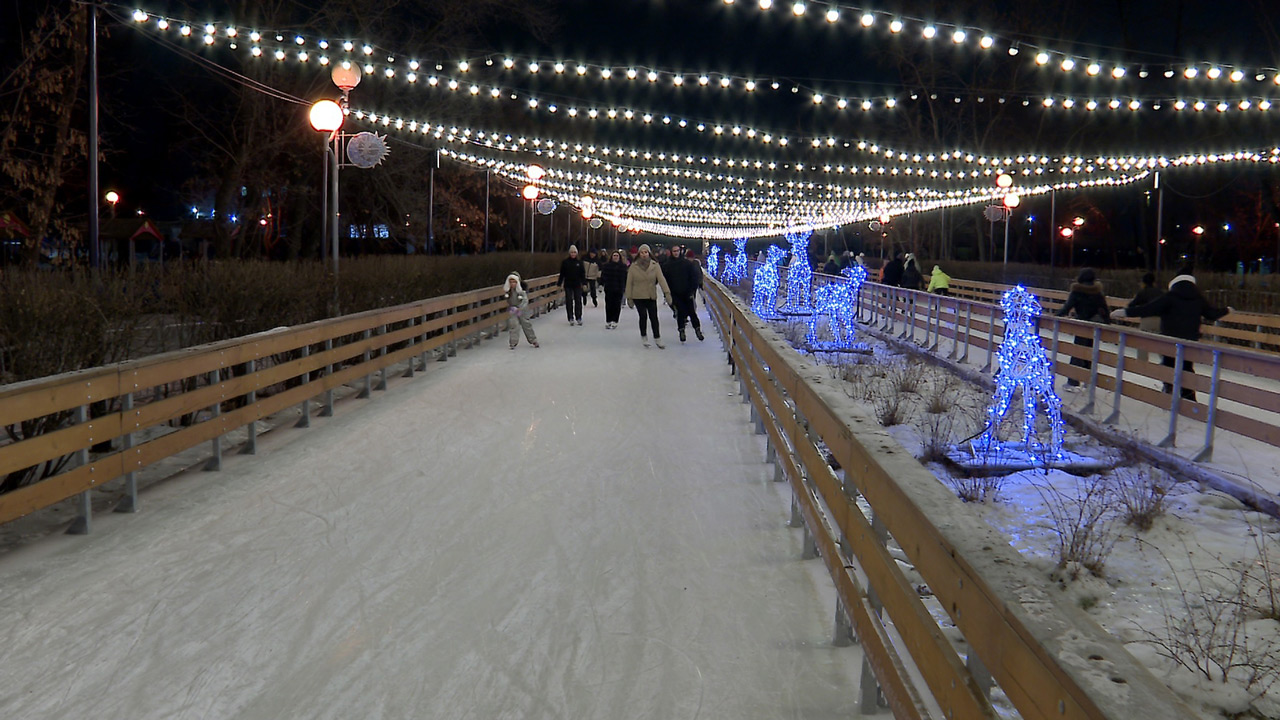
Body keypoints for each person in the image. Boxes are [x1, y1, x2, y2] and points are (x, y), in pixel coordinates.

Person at [1111, 267, 1232, 401]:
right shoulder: (1198, 299)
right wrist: (1226, 310)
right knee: (1186, 368)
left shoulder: (1170, 297)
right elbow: (1211, 314)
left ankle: (1168, 391)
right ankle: (1189, 398)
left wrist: (1126, 312)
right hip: (1189, 341)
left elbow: (1149, 309)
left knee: (1168, 364)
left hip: (1170, 339)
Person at [1056, 268, 1110, 388]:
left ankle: (1073, 381)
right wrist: (1107, 323)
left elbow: (1066, 308)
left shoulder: (1077, 292)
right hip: (1094, 327)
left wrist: (1055, 316)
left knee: (1077, 352)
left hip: (1081, 326)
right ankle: (1088, 381)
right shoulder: (1098, 293)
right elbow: (1105, 311)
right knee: (1089, 352)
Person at [625, 243, 673, 348]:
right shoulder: (634, 266)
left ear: (649, 253)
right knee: (643, 316)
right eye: (642, 252)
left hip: (651, 295)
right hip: (638, 295)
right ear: (639, 254)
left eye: (646, 252)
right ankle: (644, 336)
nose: (644, 254)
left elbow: (661, 279)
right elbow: (629, 282)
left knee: (654, 317)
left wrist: (667, 292)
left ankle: (657, 338)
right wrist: (629, 297)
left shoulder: (655, 266)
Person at [665, 245, 705, 342]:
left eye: (677, 251)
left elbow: (693, 277)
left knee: (692, 312)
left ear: (680, 251)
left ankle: (697, 329)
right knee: (680, 312)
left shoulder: (687, 264)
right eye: (674, 251)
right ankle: (681, 330)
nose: (676, 253)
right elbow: (666, 279)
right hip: (675, 293)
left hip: (687, 292)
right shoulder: (668, 265)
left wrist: (692, 289)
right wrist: (668, 292)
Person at [1127, 272, 1164, 365]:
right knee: (1161, 344)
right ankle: (1166, 363)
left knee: (1143, 343)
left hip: (1147, 320)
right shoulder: (1161, 293)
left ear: (1143, 283)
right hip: (1160, 320)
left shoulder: (1142, 293)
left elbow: (1131, 306)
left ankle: (1142, 364)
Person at [503, 272, 539, 349]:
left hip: (522, 309)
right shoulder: (508, 291)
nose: (513, 284)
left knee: (526, 324)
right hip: (513, 309)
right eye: (511, 282)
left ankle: (533, 340)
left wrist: (520, 308)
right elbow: (507, 300)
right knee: (514, 324)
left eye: (514, 282)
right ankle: (513, 342)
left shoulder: (521, 291)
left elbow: (525, 300)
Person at [557, 245, 586, 326]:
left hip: (577, 284)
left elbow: (582, 274)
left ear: (576, 253)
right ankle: (570, 317)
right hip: (568, 284)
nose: (573, 254)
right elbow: (562, 273)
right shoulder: (565, 262)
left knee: (578, 301)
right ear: (569, 253)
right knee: (569, 301)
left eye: (574, 252)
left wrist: (584, 283)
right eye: (572, 252)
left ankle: (578, 317)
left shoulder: (579, 263)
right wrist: (559, 283)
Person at [600, 249, 628, 329]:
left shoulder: (623, 267)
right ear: (611, 257)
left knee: (617, 305)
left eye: (617, 256)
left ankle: (615, 320)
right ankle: (608, 320)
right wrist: (601, 284)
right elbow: (603, 276)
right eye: (614, 256)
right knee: (609, 305)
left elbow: (626, 278)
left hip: (619, 288)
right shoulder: (607, 266)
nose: (615, 257)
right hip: (609, 288)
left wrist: (626, 287)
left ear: (619, 257)